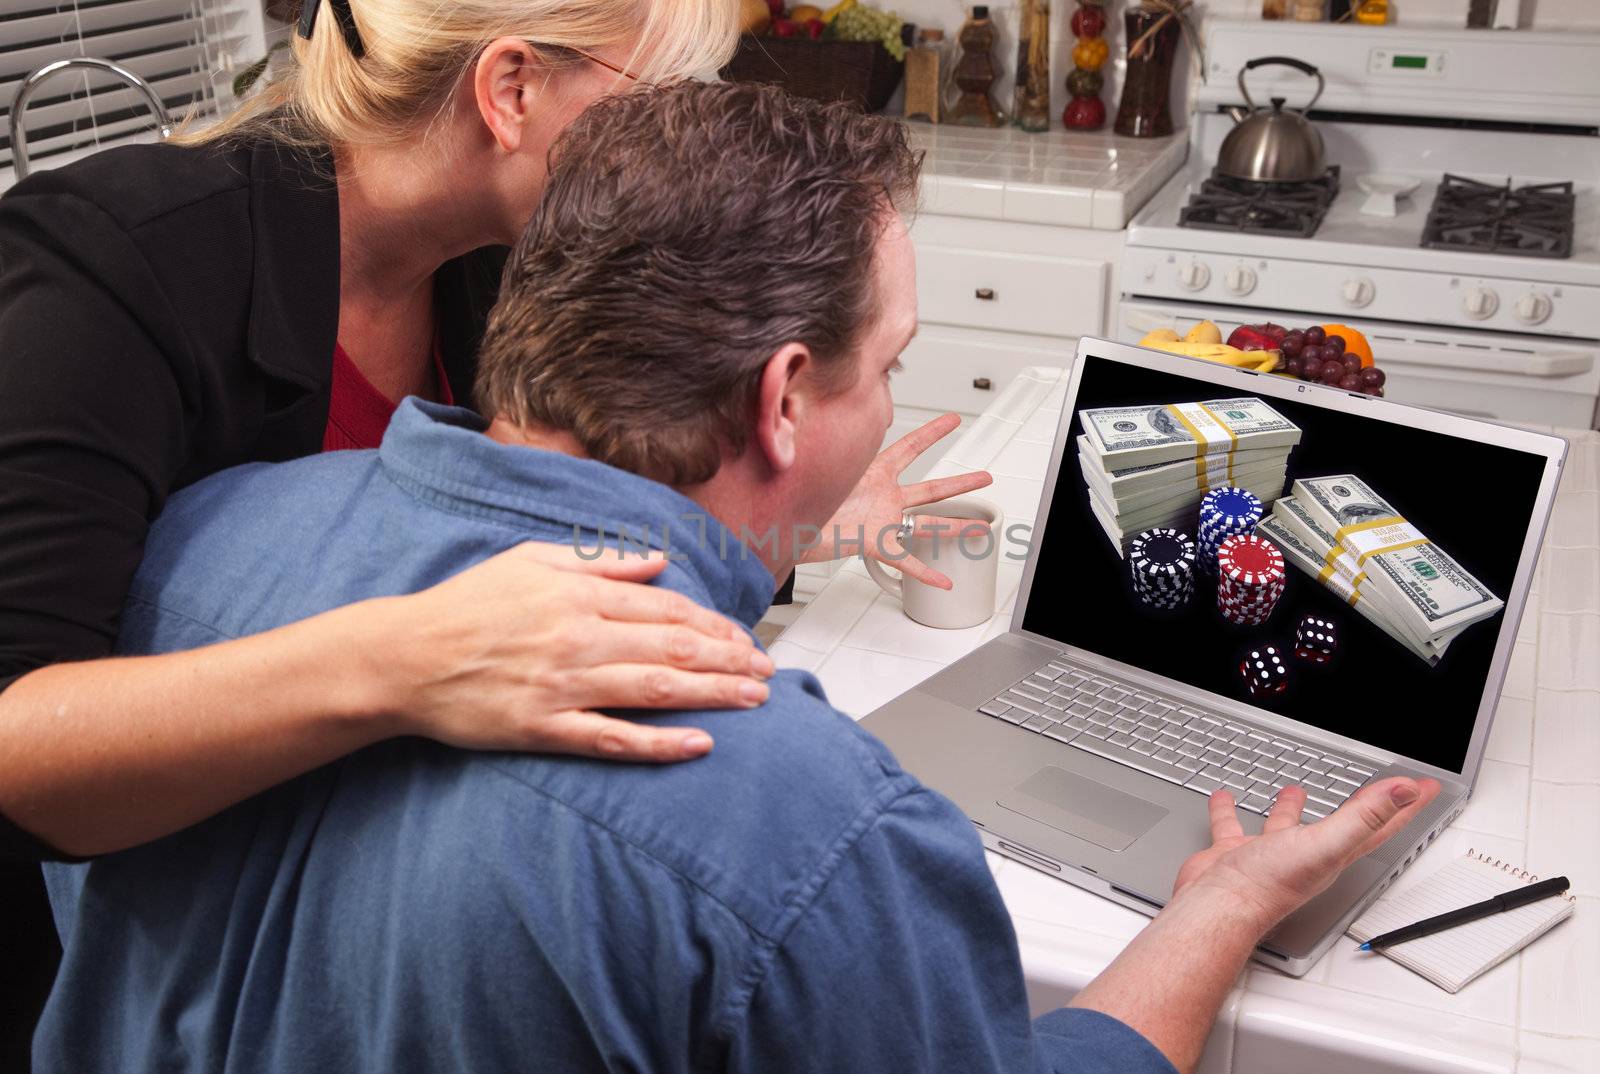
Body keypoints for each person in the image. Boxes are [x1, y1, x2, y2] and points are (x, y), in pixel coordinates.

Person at [36, 81, 1441, 1074]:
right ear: (782, 400)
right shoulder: (805, 821)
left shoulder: (201, 541)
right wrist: (1218, 907)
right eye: (887, 367)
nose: (888, 400)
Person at [0, 0, 986, 1058]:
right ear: (510, 88)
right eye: (657, 96)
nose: (682, 137)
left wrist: (796, 522)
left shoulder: (501, 256)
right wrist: (410, 656)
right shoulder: (116, 271)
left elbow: (548, 490)